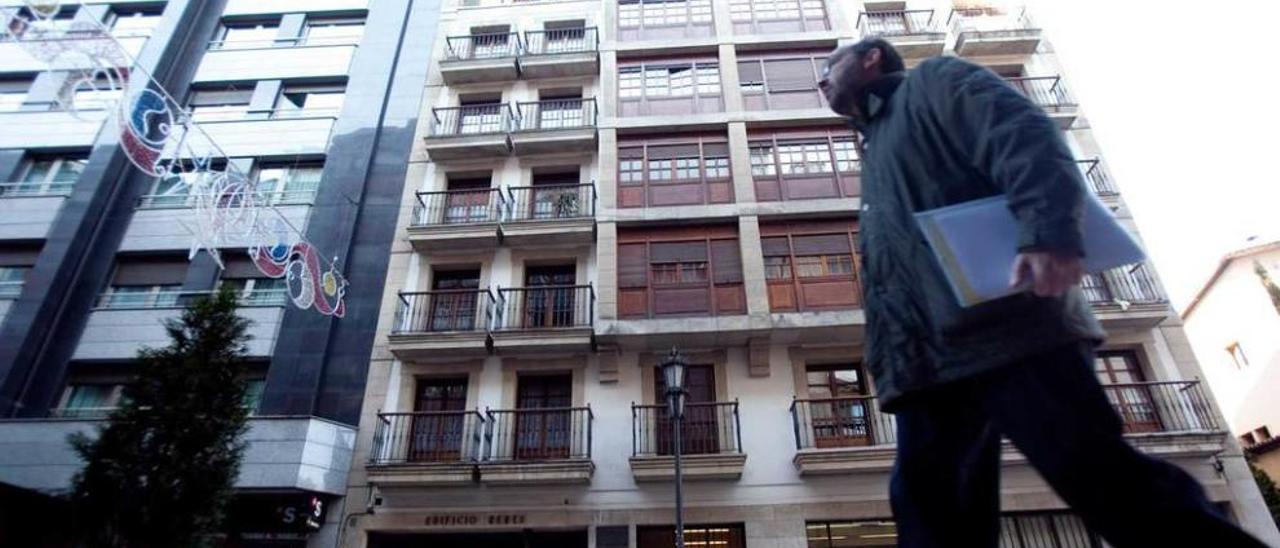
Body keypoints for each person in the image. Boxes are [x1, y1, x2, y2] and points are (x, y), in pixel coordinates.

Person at [817, 38, 1268, 547]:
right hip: (927, 362)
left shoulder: (934, 82)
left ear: (872, 57)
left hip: (1012, 331)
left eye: (829, 66)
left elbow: (1024, 134)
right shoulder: (875, 144)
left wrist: (1048, 233)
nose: (820, 80)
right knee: (929, 510)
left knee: (1099, 478)